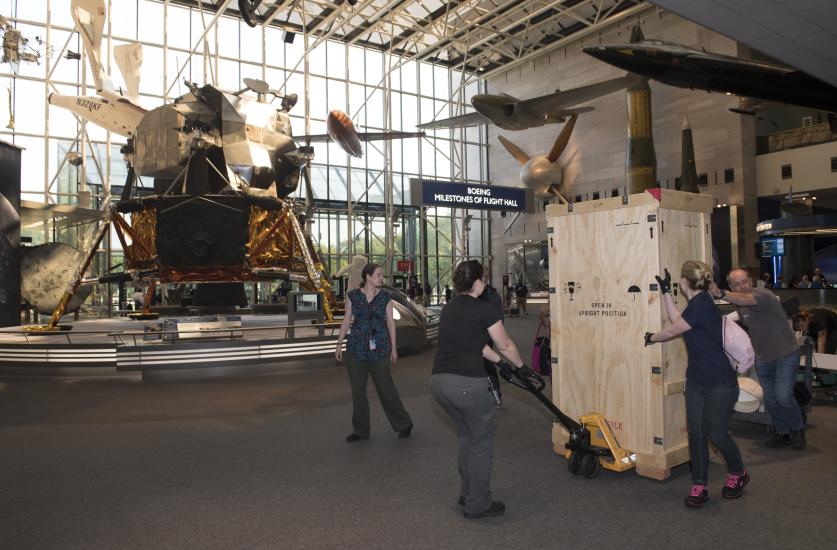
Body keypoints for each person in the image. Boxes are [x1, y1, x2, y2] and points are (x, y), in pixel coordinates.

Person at [645, 261, 748, 508]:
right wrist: (667, 292)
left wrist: (650, 337)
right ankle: (699, 484)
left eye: (678, 280)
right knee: (696, 434)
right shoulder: (697, 304)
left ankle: (738, 472)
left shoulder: (702, 304)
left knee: (716, 434)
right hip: (697, 381)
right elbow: (679, 319)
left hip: (720, 383)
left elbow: (673, 330)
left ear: (685, 281)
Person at [431, 260, 525, 520]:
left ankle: (467, 493)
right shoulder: (484, 309)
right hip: (467, 385)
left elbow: (478, 346)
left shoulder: (449, 308)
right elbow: (504, 345)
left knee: (467, 435)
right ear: (477, 283)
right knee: (481, 441)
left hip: (440, 383)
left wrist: (500, 365)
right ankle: (478, 503)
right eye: (483, 278)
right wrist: (520, 366)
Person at [710, 268, 805, 449]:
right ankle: (782, 432)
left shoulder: (762, 294)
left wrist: (720, 293)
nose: (742, 286)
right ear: (731, 285)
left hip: (785, 354)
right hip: (763, 358)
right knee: (770, 398)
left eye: (745, 281)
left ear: (751, 281)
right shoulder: (739, 305)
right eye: (737, 284)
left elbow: (745, 299)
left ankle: (798, 429)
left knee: (783, 396)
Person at [335, 263, 413, 442]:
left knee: (386, 389)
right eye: (378, 275)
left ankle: (404, 423)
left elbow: (391, 323)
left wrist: (394, 348)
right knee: (358, 391)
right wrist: (339, 345)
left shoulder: (385, 297)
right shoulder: (352, 296)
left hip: (380, 349)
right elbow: (346, 321)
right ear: (368, 277)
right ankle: (361, 430)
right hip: (356, 350)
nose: (381, 278)